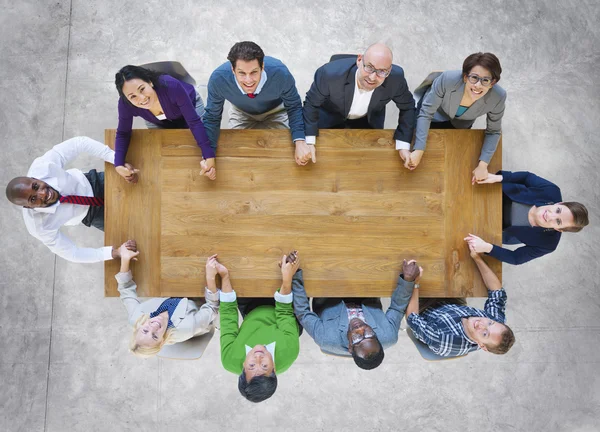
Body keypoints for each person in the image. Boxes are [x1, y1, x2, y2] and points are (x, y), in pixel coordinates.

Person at [5, 136, 133, 263]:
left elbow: (79, 143)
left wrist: (117, 161)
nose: (43, 193)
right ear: (28, 207)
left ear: (34, 178)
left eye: (36, 186)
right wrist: (113, 253)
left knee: (139, 178)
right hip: (91, 215)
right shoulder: (39, 226)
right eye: (33, 199)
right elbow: (73, 253)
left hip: (94, 183)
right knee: (135, 234)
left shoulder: (42, 166)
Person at [292, 258, 420, 369]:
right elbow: (397, 308)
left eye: (357, 338)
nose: (360, 328)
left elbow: (302, 312)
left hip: (329, 290)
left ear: (349, 348)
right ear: (377, 337)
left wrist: (295, 274)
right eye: (369, 333)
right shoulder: (389, 335)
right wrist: (408, 280)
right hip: (364, 288)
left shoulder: (325, 338)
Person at [302, 42, 415, 164]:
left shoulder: (396, 79)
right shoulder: (329, 74)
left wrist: (403, 145)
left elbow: (408, 107)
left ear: (389, 70)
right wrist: (309, 141)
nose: (372, 77)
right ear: (359, 60)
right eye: (369, 67)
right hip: (330, 117)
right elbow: (311, 104)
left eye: (382, 72)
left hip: (367, 123)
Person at [202, 41, 312, 166]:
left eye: (254, 72)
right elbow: (212, 117)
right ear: (233, 70)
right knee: (239, 159)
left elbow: (294, 106)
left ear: (262, 66)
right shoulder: (218, 79)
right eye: (242, 73)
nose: (248, 80)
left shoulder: (280, 73)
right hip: (241, 111)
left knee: (283, 157)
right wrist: (208, 154)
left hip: (276, 110)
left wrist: (300, 141)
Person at [408, 52, 506, 181]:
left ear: (492, 83)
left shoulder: (498, 97)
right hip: (434, 113)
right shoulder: (447, 79)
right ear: (465, 77)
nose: (478, 85)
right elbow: (426, 113)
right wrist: (419, 149)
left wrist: (483, 165)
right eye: (474, 78)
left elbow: (493, 131)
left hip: (461, 123)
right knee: (418, 147)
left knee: (451, 157)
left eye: (485, 80)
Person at [405, 244, 515, 357]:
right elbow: (497, 292)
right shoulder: (496, 323)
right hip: (451, 304)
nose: (481, 324)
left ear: (482, 346)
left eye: (485, 334)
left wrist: (415, 282)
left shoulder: (444, 340)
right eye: (490, 323)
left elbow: (412, 318)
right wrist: (476, 257)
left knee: (406, 268)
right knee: (449, 257)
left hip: (422, 310)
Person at [219, 252, 301, 403]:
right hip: (283, 312)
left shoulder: (229, 359)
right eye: (264, 365)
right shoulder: (289, 352)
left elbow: (227, 318)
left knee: (242, 264)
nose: (258, 357)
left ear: (243, 367)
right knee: (294, 270)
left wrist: (224, 276)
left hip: (252, 310)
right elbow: (284, 311)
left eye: (251, 365)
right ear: (274, 369)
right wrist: (286, 278)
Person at [114, 65, 216, 182]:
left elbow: (194, 122)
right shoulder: (125, 104)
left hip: (190, 105)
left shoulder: (170, 85)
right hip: (157, 120)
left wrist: (208, 157)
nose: (142, 98)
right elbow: (123, 132)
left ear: (150, 82)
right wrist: (119, 165)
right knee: (167, 150)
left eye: (142, 89)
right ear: (127, 99)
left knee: (201, 141)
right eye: (133, 97)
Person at [465, 170, 589, 265]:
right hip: (491, 193)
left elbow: (516, 258)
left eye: (558, 221)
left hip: (491, 226)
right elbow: (527, 177)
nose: (550, 215)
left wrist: (486, 247)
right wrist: (497, 178)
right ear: (559, 203)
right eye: (558, 210)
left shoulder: (548, 244)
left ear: (559, 229)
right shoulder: (552, 191)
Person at [117, 244, 220, 357]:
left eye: (145, 331)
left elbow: (126, 289)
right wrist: (210, 276)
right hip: (200, 300)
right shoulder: (186, 327)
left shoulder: (136, 318)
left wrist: (125, 259)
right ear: (162, 342)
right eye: (155, 336)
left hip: (175, 290)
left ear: (138, 327)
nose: (154, 327)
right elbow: (212, 306)